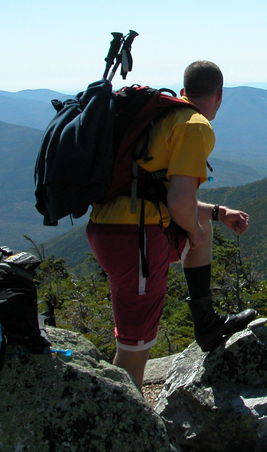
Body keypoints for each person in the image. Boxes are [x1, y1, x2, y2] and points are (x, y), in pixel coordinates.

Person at [86, 60, 256, 387]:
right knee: (134, 346)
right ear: (219, 96)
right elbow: (180, 203)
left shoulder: (164, 118)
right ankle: (126, 425)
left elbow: (163, 197)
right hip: (134, 239)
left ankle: (206, 325)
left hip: (113, 229)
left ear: (182, 92)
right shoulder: (195, 125)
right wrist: (191, 230)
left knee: (202, 231)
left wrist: (219, 213)